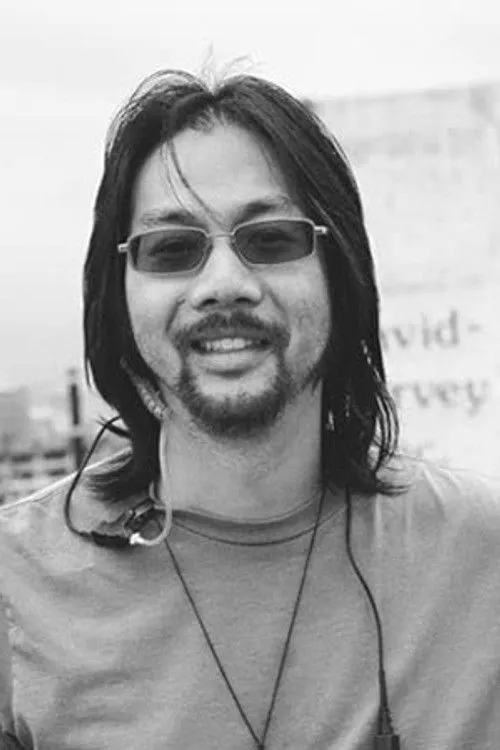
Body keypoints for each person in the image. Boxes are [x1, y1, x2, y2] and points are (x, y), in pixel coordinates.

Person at [0, 69, 498, 750]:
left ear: (341, 274)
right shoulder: (17, 587)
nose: (224, 284)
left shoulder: (480, 558)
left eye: (270, 240)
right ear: (117, 297)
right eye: (173, 249)